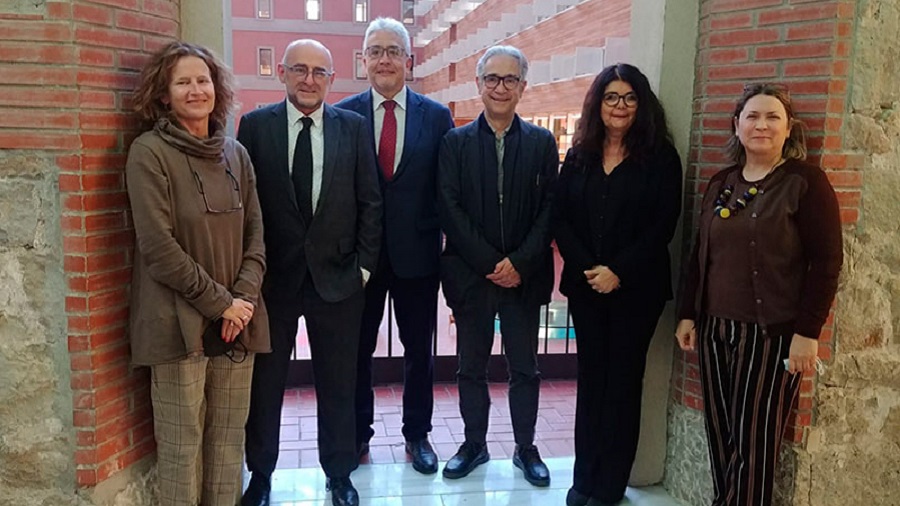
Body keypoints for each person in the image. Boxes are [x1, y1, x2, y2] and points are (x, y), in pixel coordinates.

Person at [675, 83, 842, 506]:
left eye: (773, 117)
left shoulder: (805, 183)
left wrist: (807, 333)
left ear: (789, 129)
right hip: (715, 329)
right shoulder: (721, 182)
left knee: (755, 441)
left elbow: (825, 263)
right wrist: (688, 314)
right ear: (737, 125)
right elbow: (700, 254)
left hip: (770, 337)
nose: (761, 125)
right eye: (752, 116)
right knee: (721, 432)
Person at [237, 39, 382, 506]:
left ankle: (340, 475)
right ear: (281, 72)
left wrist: (362, 268)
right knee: (266, 385)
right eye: (300, 69)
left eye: (320, 72)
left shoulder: (354, 128)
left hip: (338, 281)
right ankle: (261, 475)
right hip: (273, 282)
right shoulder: (255, 127)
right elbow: (244, 205)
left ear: (332, 79)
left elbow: (371, 202)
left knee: (339, 385)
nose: (309, 79)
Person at [126, 41, 268, 505]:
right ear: (163, 95)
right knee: (182, 453)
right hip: (176, 327)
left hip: (236, 328)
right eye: (183, 82)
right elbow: (158, 247)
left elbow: (256, 237)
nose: (196, 90)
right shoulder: (148, 153)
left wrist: (241, 302)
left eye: (203, 80)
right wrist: (221, 302)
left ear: (217, 88)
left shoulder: (236, 154)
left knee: (228, 448)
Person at [553, 63, 682, 506]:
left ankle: (609, 485)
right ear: (598, 103)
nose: (620, 106)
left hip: (636, 291)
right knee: (590, 381)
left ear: (641, 104)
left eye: (629, 97)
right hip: (587, 287)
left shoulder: (661, 157)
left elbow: (662, 225)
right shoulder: (580, 154)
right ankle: (583, 478)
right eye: (611, 97)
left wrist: (618, 271)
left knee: (623, 384)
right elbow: (561, 218)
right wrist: (591, 268)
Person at [335, 17, 454, 475]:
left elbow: (445, 190)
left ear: (409, 60)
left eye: (393, 51)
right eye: (375, 50)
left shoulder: (437, 116)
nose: (384, 58)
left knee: (419, 352)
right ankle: (357, 434)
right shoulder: (343, 115)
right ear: (364, 60)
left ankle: (417, 434)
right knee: (356, 350)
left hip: (417, 258)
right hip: (358, 259)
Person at [438, 45, 557, 487]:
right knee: (471, 368)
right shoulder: (455, 143)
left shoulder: (543, 144)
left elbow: (550, 209)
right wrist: (492, 262)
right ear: (478, 85)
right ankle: (474, 444)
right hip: (472, 278)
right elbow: (449, 208)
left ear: (524, 87)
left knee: (525, 368)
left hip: (524, 281)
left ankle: (526, 449)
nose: (500, 88)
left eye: (510, 80)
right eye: (492, 79)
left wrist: (519, 263)